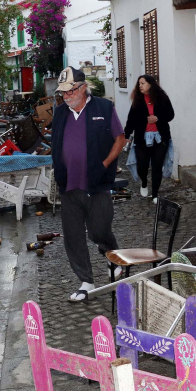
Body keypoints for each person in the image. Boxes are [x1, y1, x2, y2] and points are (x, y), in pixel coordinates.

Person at [50, 66, 126, 303]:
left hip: (96, 183)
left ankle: (111, 256)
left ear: (82, 88)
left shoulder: (103, 108)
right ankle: (86, 281)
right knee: (73, 236)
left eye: (70, 91)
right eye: (63, 93)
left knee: (99, 230)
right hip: (68, 184)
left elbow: (120, 139)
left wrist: (104, 165)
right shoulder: (60, 112)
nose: (66, 96)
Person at [124, 75, 175, 203]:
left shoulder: (162, 97)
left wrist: (158, 118)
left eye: (143, 83)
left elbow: (170, 114)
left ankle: (155, 195)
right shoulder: (138, 100)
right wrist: (126, 135)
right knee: (142, 166)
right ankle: (144, 182)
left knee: (157, 166)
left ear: (150, 84)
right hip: (142, 138)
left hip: (160, 138)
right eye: (139, 83)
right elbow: (131, 119)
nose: (140, 86)